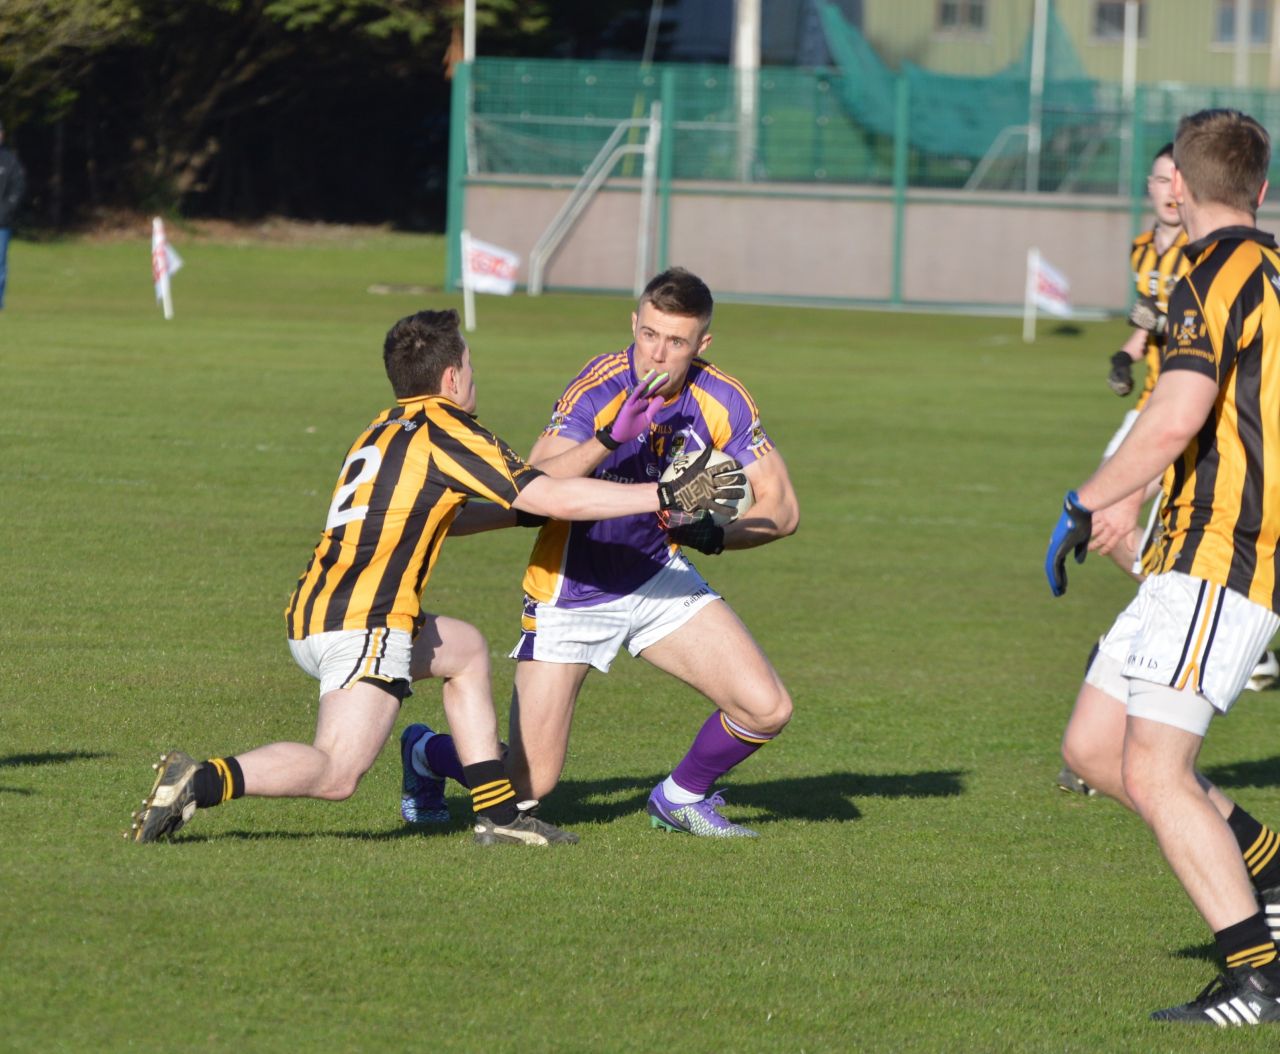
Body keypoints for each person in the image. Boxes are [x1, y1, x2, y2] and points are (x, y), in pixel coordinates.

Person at [127, 308, 745, 847]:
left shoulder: (384, 428)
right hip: (367, 622)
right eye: (471, 367)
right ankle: (200, 779)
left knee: (467, 650)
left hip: (318, 610)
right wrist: (663, 494)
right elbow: (550, 497)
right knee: (337, 772)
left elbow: (475, 513)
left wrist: (608, 436)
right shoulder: (448, 429)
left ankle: (499, 815)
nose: (475, 378)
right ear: (451, 378)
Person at [402, 268, 799, 838]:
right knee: (529, 788)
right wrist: (609, 437)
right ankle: (426, 752)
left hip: (656, 577)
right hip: (571, 589)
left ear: (702, 344)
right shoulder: (599, 386)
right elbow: (535, 485)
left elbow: (782, 510)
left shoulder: (723, 399)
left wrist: (715, 536)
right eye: (650, 335)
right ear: (634, 324)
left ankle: (680, 797)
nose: (658, 355)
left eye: (677, 342)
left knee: (766, 708)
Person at [1046, 108, 1280, 1024]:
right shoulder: (1262, 268)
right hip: (1189, 546)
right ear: (1259, 189)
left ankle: (1256, 975)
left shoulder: (1210, 272)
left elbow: (1178, 411)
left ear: (1177, 186)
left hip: (1220, 553)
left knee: (1155, 769)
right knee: (1095, 750)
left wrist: (1090, 498)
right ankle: (1263, 867)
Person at [0, 119, 26, 311]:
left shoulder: (10, 161)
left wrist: (4, 211)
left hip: (2, 223)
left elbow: (17, 190)